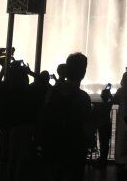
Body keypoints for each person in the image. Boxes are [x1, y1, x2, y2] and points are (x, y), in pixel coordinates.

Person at [38, 52, 94, 181]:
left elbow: (44, 114)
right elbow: (87, 123)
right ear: (83, 72)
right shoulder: (83, 97)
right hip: (74, 149)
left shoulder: (52, 92)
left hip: (53, 146)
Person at [93, 85, 114, 169]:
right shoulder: (108, 105)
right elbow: (112, 100)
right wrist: (109, 93)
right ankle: (103, 161)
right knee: (106, 144)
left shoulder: (99, 106)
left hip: (101, 126)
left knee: (102, 144)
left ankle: (102, 161)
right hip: (107, 125)